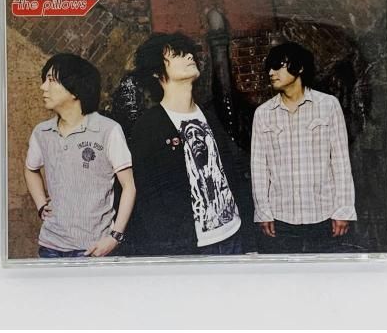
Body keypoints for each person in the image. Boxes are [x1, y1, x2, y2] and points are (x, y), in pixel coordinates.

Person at [128, 32, 251, 256]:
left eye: (188, 53)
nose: (189, 57)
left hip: (234, 234)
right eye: (177, 55)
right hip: (192, 247)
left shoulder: (209, 115)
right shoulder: (148, 127)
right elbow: (149, 197)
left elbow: (231, 171)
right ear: (156, 71)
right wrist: (173, 246)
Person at [24, 54, 135, 258]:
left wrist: (115, 237)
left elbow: (129, 186)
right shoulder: (42, 132)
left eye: (51, 80)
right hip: (50, 247)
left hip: (93, 249)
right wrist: (41, 205)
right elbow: (31, 169)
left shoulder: (108, 130)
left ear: (75, 90)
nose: (43, 87)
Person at [251, 42, 356, 253]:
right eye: (269, 68)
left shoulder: (328, 105)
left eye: (278, 66)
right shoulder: (263, 114)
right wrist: (263, 212)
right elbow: (259, 168)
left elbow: (341, 161)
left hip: (323, 214)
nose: (271, 73)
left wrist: (343, 210)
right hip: (281, 218)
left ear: (299, 68)